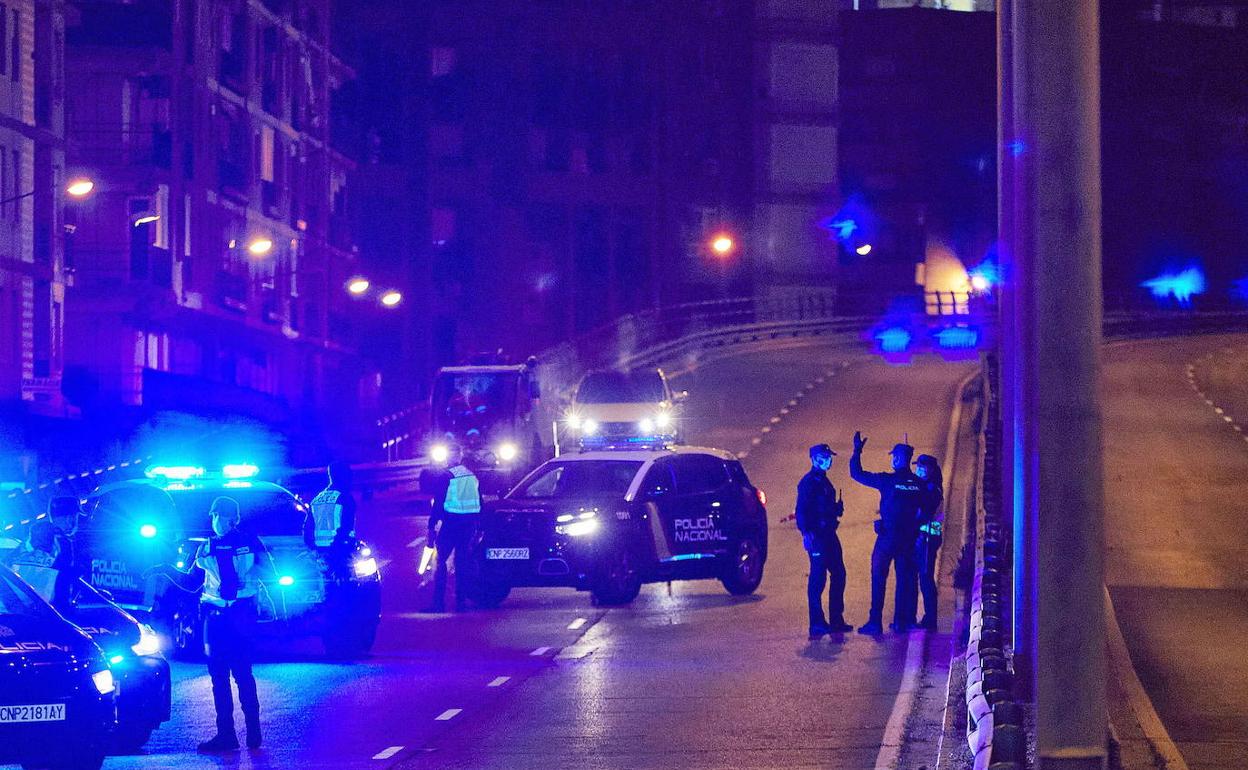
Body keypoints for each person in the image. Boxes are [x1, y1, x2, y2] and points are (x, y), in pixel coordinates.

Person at [193, 496, 275, 753]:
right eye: (214, 516)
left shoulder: (207, 547)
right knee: (241, 673)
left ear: (230, 518)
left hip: (220, 617)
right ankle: (251, 732)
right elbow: (269, 573)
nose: (215, 521)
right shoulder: (251, 542)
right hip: (241, 615)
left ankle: (229, 734)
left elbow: (191, 580)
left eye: (217, 516)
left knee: (221, 676)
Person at [850, 431, 925, 635]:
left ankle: (875, 622)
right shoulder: (919, 485)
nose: (892, 459)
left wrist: (857, 451)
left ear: (899, 459)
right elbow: (926, 511)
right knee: (904, 579)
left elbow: (857, 474)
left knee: (878, 577)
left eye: (893, 456)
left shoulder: (887, 480)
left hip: (887, 538)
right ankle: (900, 621)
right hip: (908, 539)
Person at [797, 443, 852, 638]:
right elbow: (801, 511)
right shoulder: (809, 482)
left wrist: (835, 509)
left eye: (829, 457)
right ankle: (817, 623)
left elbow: (823, 507)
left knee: (839, 574)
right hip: (818, 537)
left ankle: (836, 620)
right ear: (813, 459)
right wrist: (806, 533)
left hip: (829, 534)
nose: (827, 461)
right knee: (818, 578)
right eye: (823, 457)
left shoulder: (824, 482)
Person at [423, 445, 480, 612]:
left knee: (440, 561)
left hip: (451, 524)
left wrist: (432, 525)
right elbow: (479, 501)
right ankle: (461, 603)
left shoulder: (445, 476)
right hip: (468, 525)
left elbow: (439, 503)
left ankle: (438, 603)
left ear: (449, 457)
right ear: (460, 456)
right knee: (462, 562)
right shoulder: (471, 475)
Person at [305, 461, 358, 579]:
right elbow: (346, 527)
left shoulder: (317, 499)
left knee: (326, 589)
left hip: (320, 553)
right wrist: (335, 549)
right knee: (346, 588)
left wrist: (313, 550)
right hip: (340, 551)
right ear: (344, 476)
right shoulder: (345, 497)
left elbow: (307, 529)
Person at [914, 454, 944, 630]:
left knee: (926, 578)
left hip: (928, 538)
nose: (918, 470)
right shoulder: (926, 486)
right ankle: (927, 616)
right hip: (925, 538)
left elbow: (924, 514)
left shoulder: (932, 489)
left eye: (922, 467)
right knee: (922, 577)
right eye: (917, 466)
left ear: (931, 470)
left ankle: (931, 618)